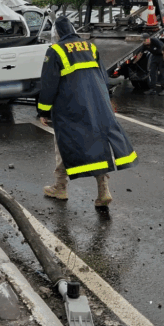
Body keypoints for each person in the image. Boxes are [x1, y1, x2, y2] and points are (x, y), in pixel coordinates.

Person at [37, 16, 137, 208]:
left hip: (69, 107)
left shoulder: (55, 50)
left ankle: (60, 187)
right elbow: (102, 76)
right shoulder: (89, 47)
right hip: (96, 104)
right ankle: (103, 190)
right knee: (98, 143)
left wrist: (43, 110)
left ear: (57, 33)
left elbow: (49, 84)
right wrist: (105, 100)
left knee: (64, 143)